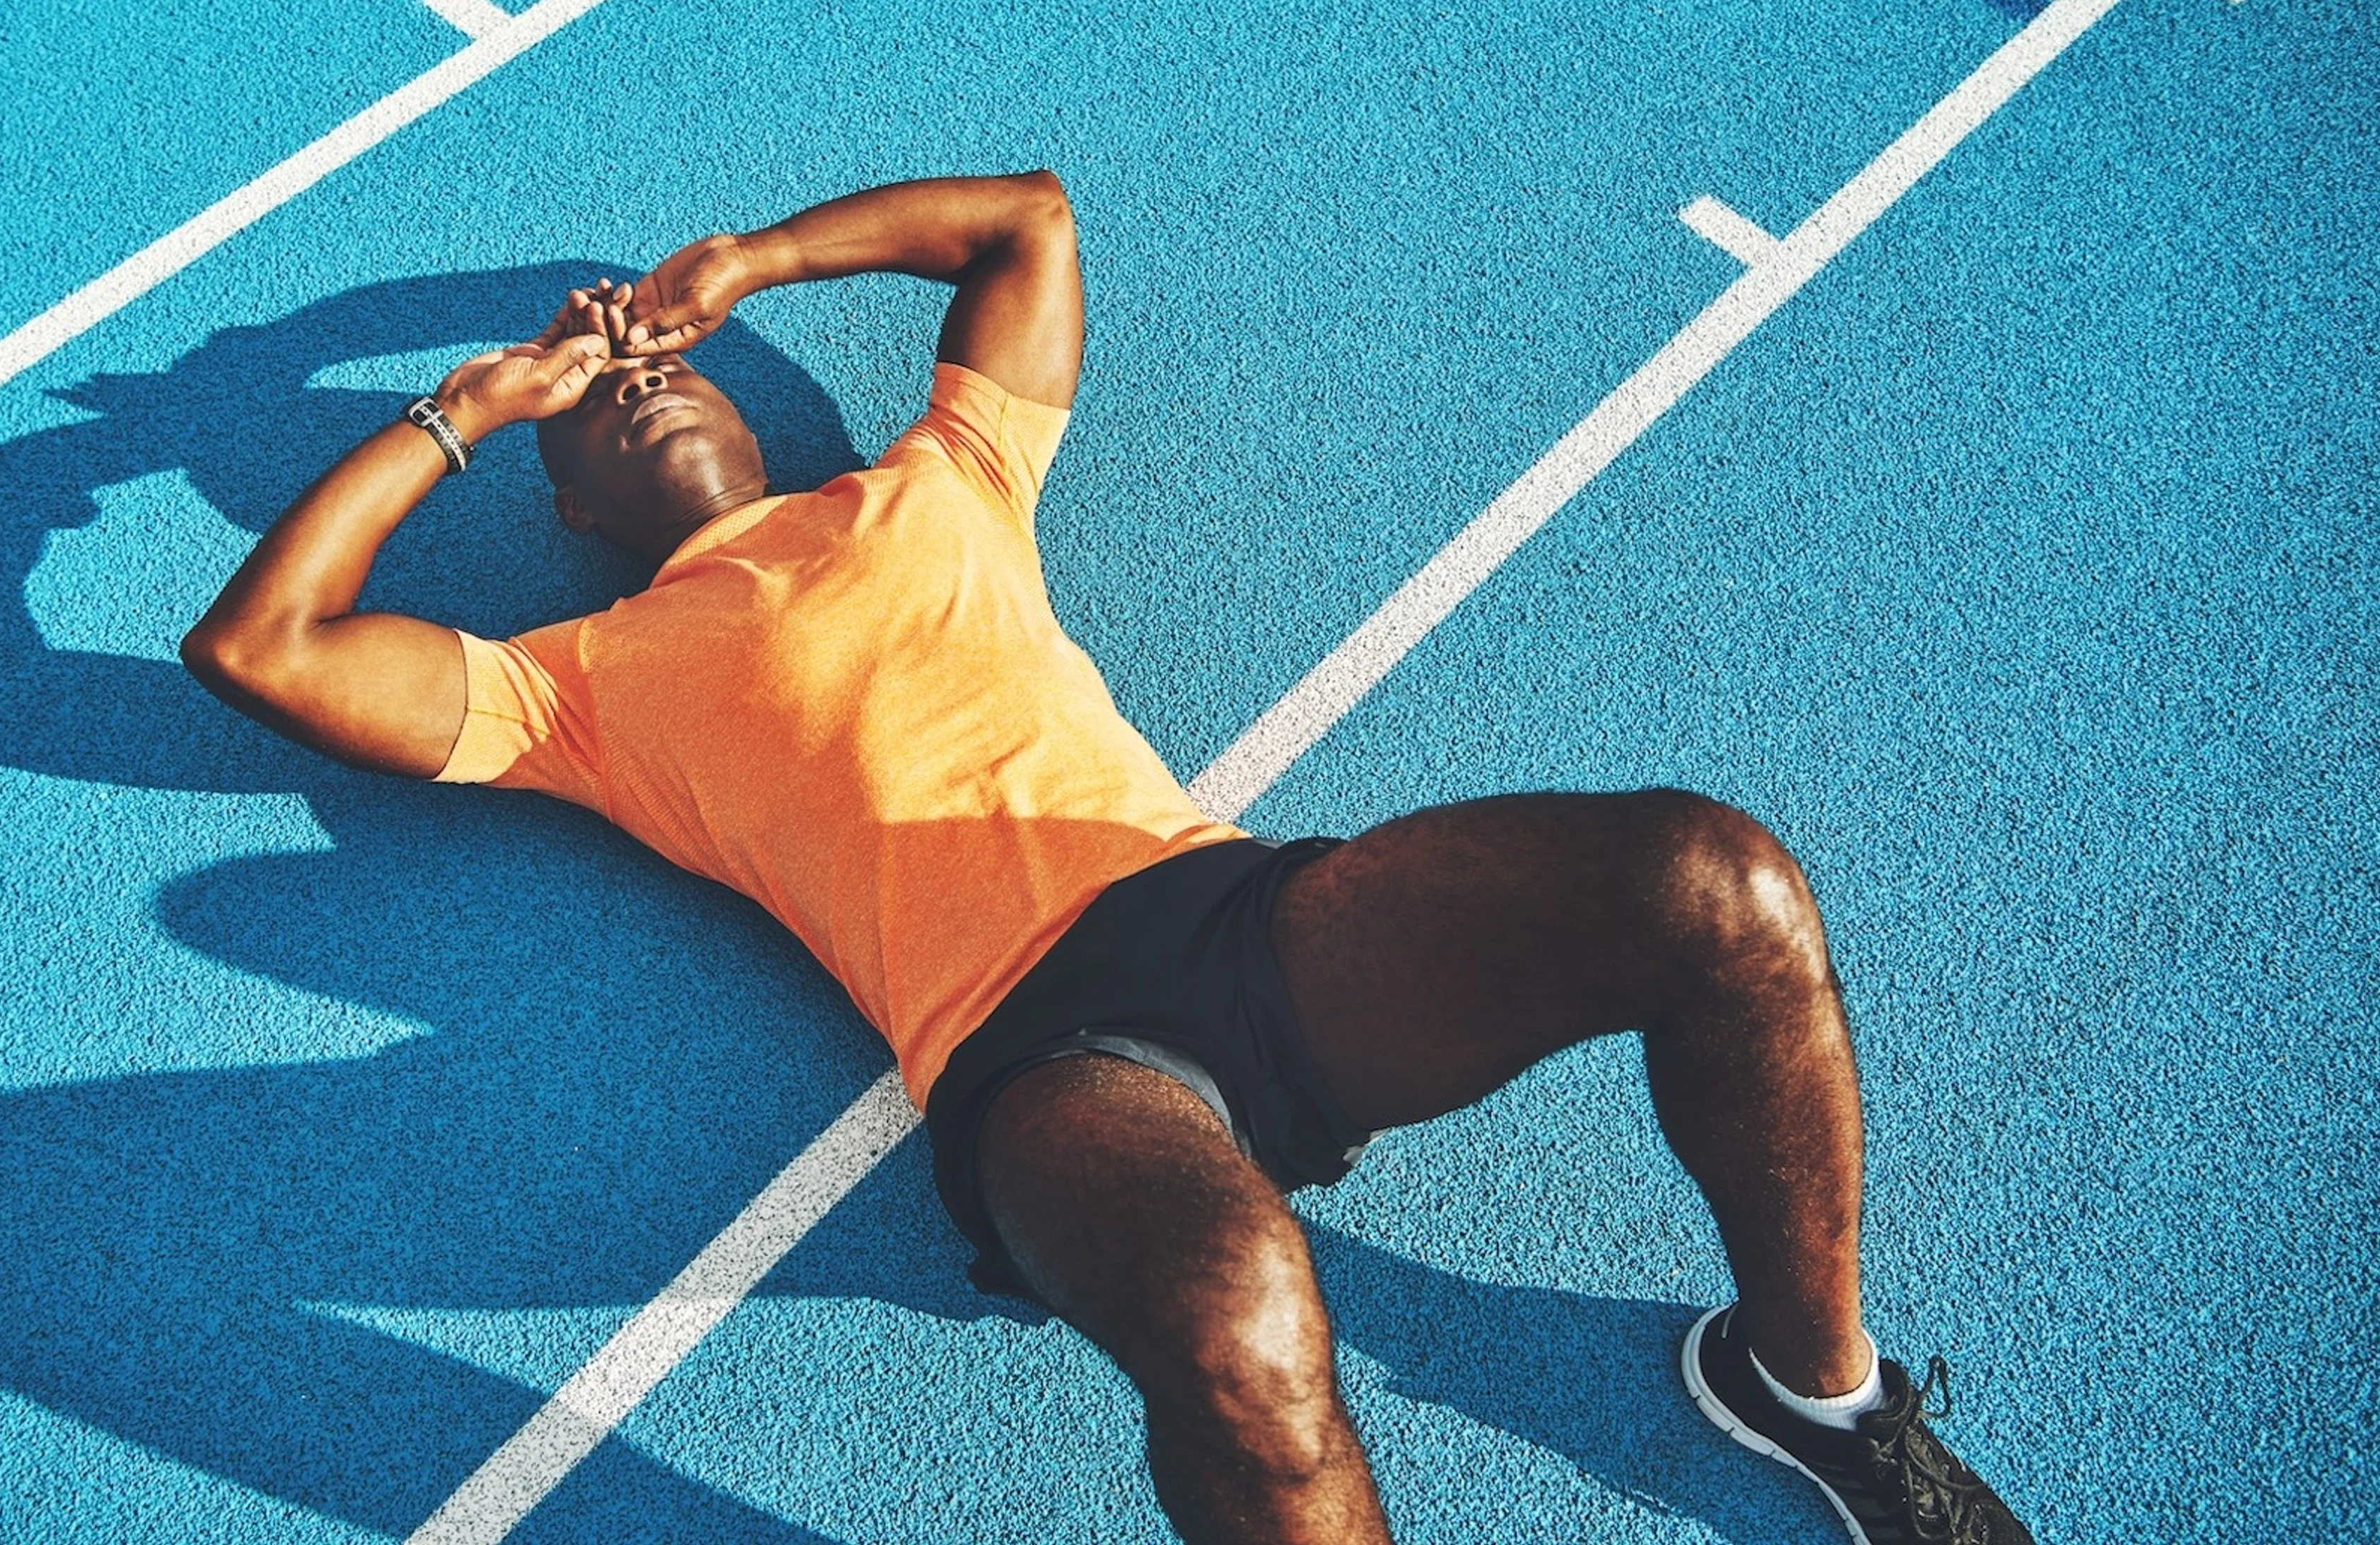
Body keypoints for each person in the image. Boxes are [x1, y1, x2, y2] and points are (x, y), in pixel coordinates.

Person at [182, 172, 2030, 1544]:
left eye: (664, 365)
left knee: (1718, 887)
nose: (639, 386)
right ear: (573, 510)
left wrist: (751, 262)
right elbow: (262, 649)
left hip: (1233, 917)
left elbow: (1027, 224)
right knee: (1245, 1330)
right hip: (1043, 1060)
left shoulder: (939, 482)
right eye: (596, 413)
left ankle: (1811, 1389)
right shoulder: (575, 685)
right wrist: (471, 407)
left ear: (748, 398)